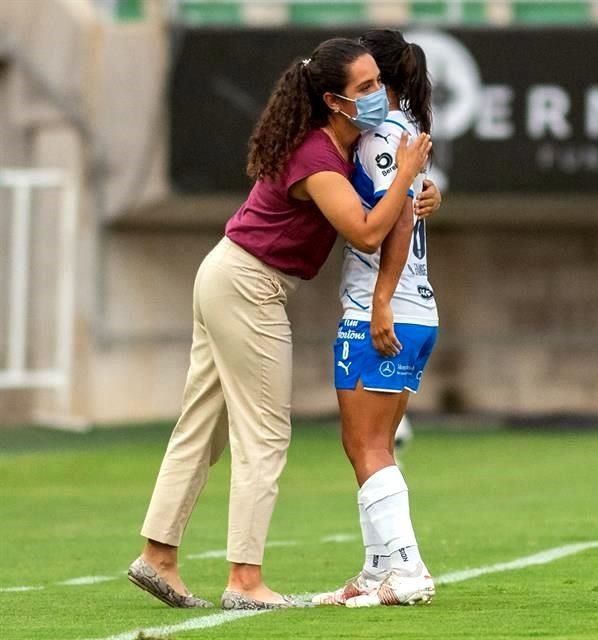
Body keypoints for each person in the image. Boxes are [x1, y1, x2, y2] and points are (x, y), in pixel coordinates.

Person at [127, 37, 433, 611]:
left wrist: (420, 191)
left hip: (229, 274)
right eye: (364, 89)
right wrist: (407, 175)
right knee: (264, 434)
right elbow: (365, 231)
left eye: (377, 85)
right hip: (249, 285)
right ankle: (245, 580)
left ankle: (158, 557)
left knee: (204, 426)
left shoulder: (341, 146)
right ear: (332, 101)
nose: (377, 98)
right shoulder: (317, 156)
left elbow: (386, 205)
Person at [312, 28, 439, 608]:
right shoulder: (404, 133)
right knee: (370, 442)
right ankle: (377, 567)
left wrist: (379, 300)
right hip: (417, 308)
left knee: (368, 446)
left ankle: (408, 569)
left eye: (369, 78)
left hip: (384, 309)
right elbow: (410, 201)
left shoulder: (380, 136)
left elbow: (392, 221)